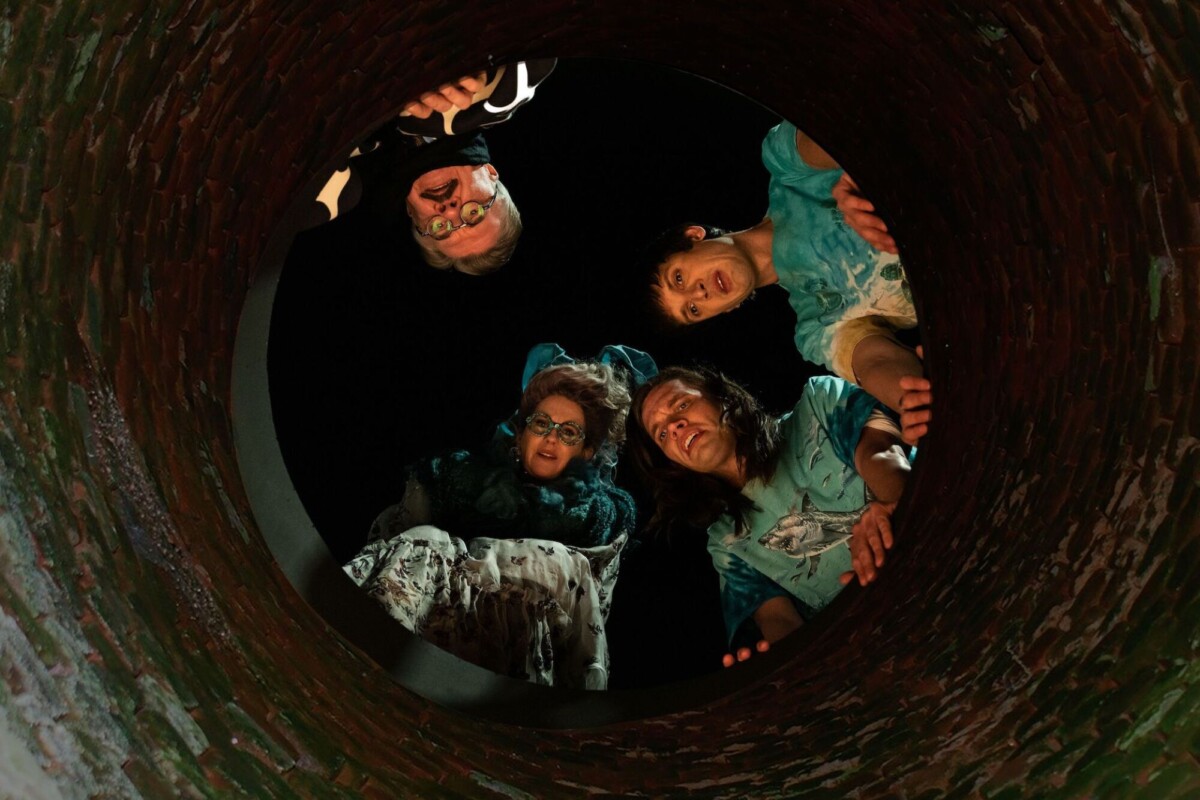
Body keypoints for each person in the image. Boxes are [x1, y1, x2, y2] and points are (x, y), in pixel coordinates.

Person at [343, 343, 657, 689]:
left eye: (568, 432)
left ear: (587, 450)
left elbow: (584, 603)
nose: (551, 438)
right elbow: (396, 535)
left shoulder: (599, 517)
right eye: (541, 423)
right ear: (520, 433)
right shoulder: (459, 479)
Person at [642, 121, 932, 438]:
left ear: (693, 235)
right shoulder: (815, 326)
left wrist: (862, 175)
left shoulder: (785, 166)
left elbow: (844, 126)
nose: (699, 295)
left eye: (679, 278)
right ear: (725, 310)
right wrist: (910, 400)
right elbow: (875, 359)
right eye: (693, 310)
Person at [627, 366, 911, 667]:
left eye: (681, 405)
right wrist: (775, 669)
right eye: (661, 434)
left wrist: (897, 507)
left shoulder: (818, 402)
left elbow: (883, 456)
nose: (674, 426)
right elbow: (779, 623)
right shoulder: (727, 544)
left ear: (722, 397)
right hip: (873, 646)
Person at [301, 60, 557, 274]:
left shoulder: (339, 184)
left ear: (413, 215)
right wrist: (472, 65)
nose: (449, 211)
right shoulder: (501, 98)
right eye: (474, 214)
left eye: (440, 228)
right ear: (491, 173)